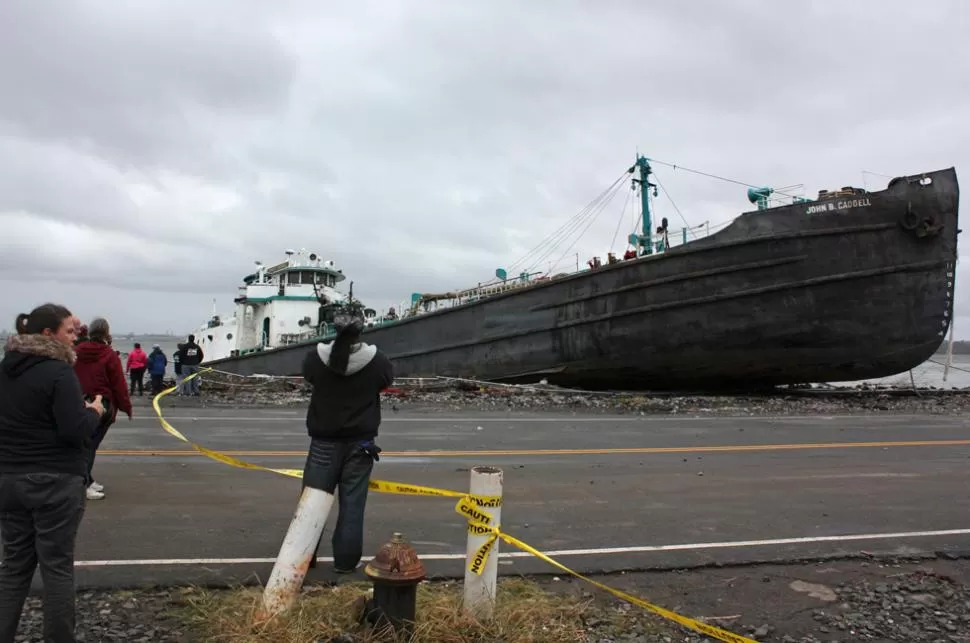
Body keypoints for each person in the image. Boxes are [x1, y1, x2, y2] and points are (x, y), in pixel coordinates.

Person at [0, 303, 105, 643]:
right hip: (55, 481)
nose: (76, 337)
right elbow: (74, 431)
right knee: (56, 568)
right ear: (48, 334)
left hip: (10, 479)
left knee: (14, 567)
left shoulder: (5, 369)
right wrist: (94, 411)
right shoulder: (58, 373)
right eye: (69, 331)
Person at [301, 312, 393, 573]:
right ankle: (345, 563)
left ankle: (303, 557)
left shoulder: (316, 359)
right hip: (361, 444)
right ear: (361, 332)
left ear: (334, 330)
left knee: (311, 505)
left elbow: (309, 376)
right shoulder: (377, 362)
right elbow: (386, 381)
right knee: (352, 506)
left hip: (323, 442)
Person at [73, 318, 133, 500]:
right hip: (102, 404)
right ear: (106, 333)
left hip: (79, 402)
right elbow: (119, 384)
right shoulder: (109, 354)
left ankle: (88, 480)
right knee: (90, 446)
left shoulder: (75, 352)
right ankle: (83, 485)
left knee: (83, 444)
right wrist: (126, 407)